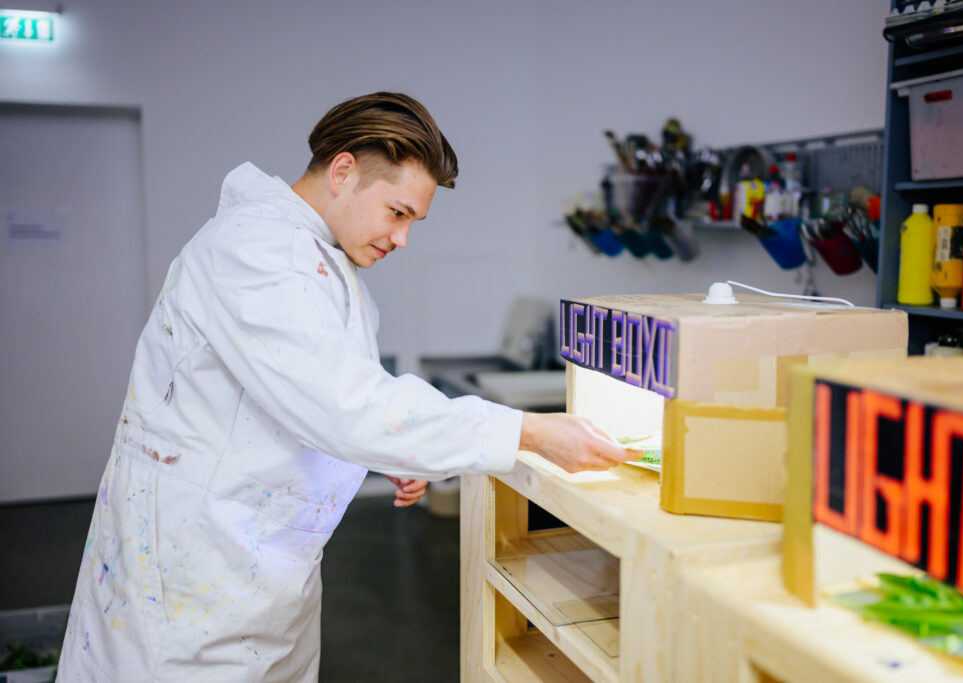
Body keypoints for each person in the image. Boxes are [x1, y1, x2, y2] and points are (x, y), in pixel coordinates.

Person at [56, 92, 638, 681]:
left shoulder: (323, 261)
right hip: (193, 583)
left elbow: (312, 394)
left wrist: (380, 451)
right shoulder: (253, 251)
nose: (402, 238)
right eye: (397, 212)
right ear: (342, 171)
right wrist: (530, 431)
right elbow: (345, 407)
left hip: (265, 577)